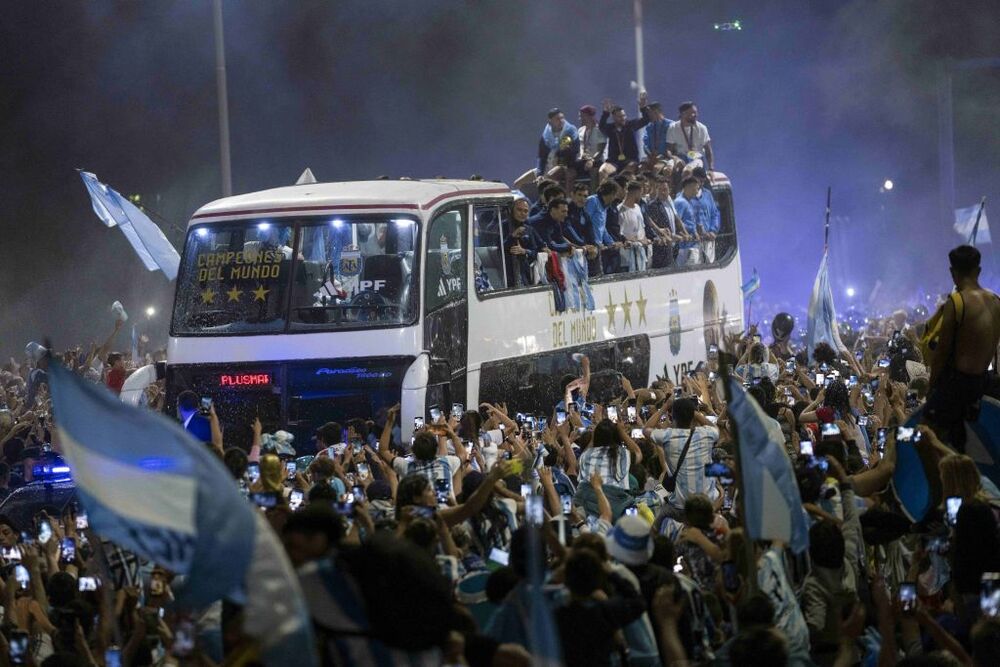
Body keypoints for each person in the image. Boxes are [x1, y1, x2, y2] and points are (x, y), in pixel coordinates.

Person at [924, 245, 1000, 451]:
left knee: (923, 432)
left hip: (958, 387)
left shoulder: (957, 302)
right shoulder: (995, 301)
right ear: (979, 271)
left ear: (952, 272)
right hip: (986, 382)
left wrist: (931, 387)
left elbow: (942, 352)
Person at [645, 398, 720, 513]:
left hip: (681, 507)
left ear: (673, 417)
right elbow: (715, 428)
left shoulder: (668, 436)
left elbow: (645, 429)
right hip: (709, 504)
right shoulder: (706, 433)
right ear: (692, 417)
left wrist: (665, 406)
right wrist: (693, 412)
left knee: (660, 517)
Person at [598, 92, 653, 182]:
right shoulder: (610, 128)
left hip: (630, 160)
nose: (623, 118)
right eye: (619, 116)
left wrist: (643, 107)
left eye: (624, 115)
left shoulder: (631, 125)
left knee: (629, 170)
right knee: (602, 171)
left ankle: (618, 185)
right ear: (614, 118)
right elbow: (601, 126)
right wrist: (605, 113)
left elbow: (646, 120)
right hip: (613, 161)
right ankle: (602, 194)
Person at [667, 101, 714, 172]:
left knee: (689, 172)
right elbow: (669, 150)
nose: (696, 115)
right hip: (680, 160)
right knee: (668, 169)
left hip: (697, 160)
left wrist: (711, 168)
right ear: (683, 114)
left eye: (696, 112)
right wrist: (675, 158)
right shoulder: (673, 128)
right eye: (693, 113)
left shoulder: (702, 128)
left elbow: (708, 150)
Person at [617, 181, 649, 272]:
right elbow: (619, 233)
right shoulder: (620, 210)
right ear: (636, 193)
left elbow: (642, 228)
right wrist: (636, 240)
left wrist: (644, 239)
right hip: (627, 257)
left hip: (641, 254)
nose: (641, 196)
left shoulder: (638, 208)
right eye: (641, 193)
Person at [673, 176, 704, 266]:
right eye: (696, 188)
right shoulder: (680, 202)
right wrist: (687, 233)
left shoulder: (689, 202)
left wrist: (696, 232)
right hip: (684, 247)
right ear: (689, 186)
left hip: (692, 245)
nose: (698, 190)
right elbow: (677, 221)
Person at [576, 105, 607, 187]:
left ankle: (594, 195)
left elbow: (601, 150)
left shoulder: (599, 130)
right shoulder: (580, 130)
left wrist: (592, 160)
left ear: (590, 116)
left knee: (593, 171)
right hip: (583, 160)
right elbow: (580, 147)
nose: (580, 118)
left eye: (582, 116)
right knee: (569, 170)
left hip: (597, 160)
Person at [642, 102, 672, 170]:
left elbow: (673, 146)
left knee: (657, 168)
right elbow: (645, 144)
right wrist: (650, 155)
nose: (648, 115)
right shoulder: (649, 126)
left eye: (650, 112)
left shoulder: (671, 125)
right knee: (641, 167)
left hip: (666, 157)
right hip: (651, 156)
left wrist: (663, 155)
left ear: (657, 112)